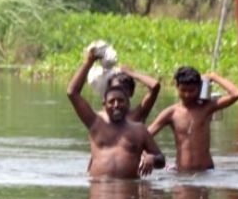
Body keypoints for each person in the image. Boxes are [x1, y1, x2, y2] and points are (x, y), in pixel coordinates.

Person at [67, 47, 166, 179]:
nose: (116, 105)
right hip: (99, 190)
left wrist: (152, 159)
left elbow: (161, 159)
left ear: (128, 101)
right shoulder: (95, 122)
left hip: (128, 190)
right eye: (112, 101)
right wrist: (89, 61)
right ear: (104, 103)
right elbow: (72, 92)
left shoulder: (139, 129)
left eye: (120, 101)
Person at [147, 66, 238, 171]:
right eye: (183, 90)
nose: (187, 94)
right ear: (176, 87)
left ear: (199, 87)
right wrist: (148, 156)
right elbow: (144, 136)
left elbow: (237, 93)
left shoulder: (207, 107)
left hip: (207, 172)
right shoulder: (171, 113)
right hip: (182, 172)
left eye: (192, 90)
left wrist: (214, 77)